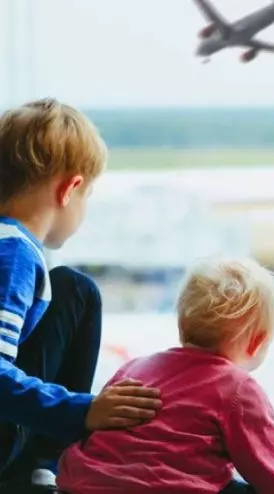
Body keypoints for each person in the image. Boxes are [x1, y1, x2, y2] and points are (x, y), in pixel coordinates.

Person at [0, 98, 162, 491]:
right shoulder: (15, 253)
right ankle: (41, 468)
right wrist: (83, 410)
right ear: (70, 188)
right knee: (78, 291)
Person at [57, 257, 274, 494]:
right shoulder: (238, 389)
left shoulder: (135, 368)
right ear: (257, 343)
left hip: (83, 483)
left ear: (182, 325)